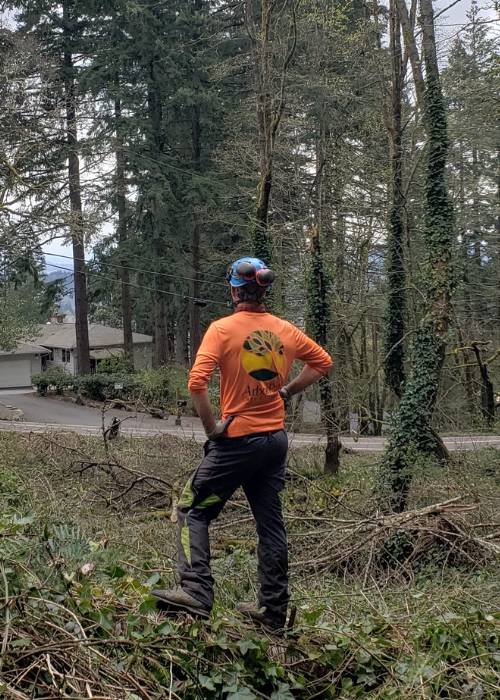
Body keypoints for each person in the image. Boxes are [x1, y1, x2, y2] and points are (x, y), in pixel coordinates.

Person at [152, 257, 333, 633]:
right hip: (275, 442)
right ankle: (273, 611)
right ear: (265, 290)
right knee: (271, 526)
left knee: (191, 509)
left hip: (237, 442)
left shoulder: (221, 330)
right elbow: (322, 363)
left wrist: (212, 430)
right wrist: (286, 390)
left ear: (234, 290)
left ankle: (196, 593)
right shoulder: (285, 331)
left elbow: (197, 384)